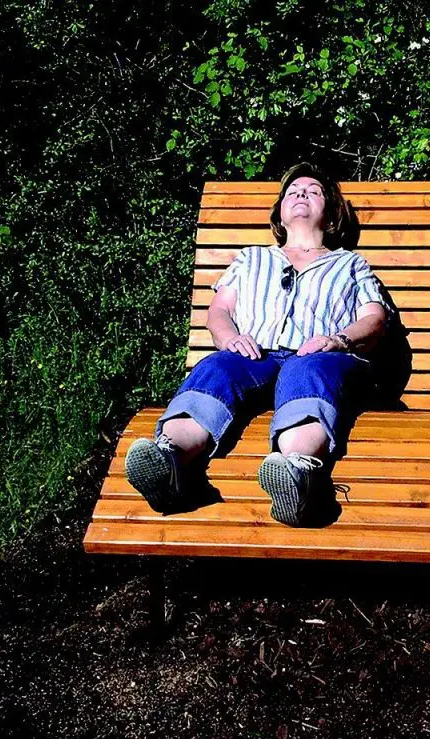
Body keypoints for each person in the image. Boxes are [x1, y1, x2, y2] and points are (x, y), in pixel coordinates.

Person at [125, 162, 393, 526]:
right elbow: (219, 310)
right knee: (219, 366)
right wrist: (230, 338)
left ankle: (298, 472)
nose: (301, 194)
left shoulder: (349, 263)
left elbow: (374, 319)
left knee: (306, 367)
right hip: (257, 354)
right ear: (280, 213)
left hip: (324, 358)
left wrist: (338, 339)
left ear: (331, 214)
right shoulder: (252, 257)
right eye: (293, 191)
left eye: (313, 191)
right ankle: (171, 457)